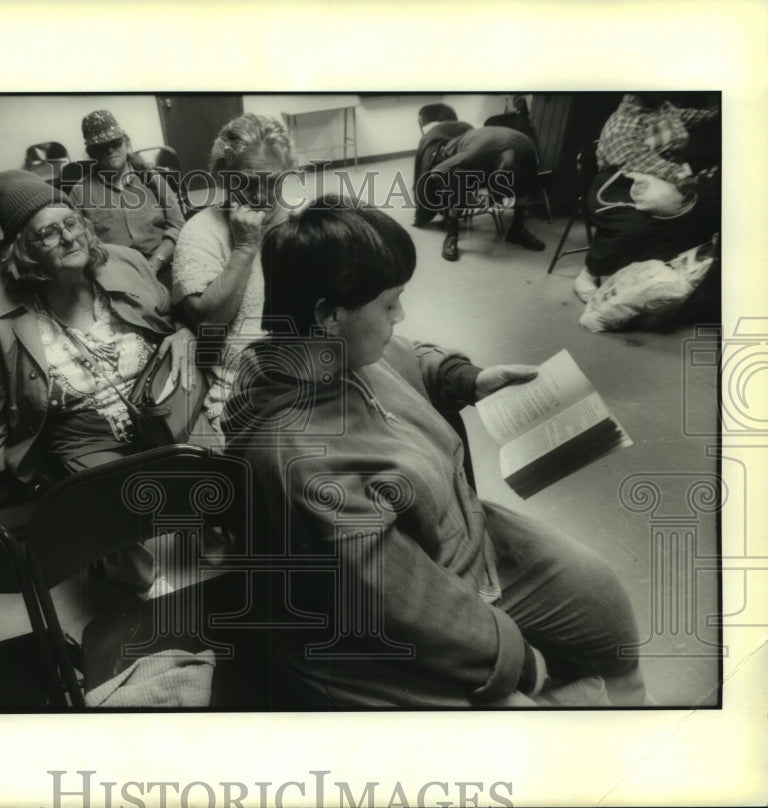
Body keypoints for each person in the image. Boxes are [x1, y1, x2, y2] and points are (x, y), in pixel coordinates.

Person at [222, 196, 649, 708]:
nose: (400, 315)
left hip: (461, 545)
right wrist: (515, 661)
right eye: (389, 303)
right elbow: (405, 605)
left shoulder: (332, 352)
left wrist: (465, 379)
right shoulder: (304, 459)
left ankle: (621, 701)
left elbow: (410, 356)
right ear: (327, 314)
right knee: (529, 714)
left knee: (601, 607)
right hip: (384, 625)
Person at [0, 169, 195, 511]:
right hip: (83, 436)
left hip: (161, 406)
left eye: (71, 222)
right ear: (23, 250)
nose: (68, 238)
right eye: (48, 233)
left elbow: (174, 314)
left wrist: (185, 330)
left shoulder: (127, 262)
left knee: (216, 467)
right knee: (129, 510)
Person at [172, 112, 296, 431]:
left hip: (315, 370)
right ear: (223, 176)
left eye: (273, 181)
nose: (261, 197)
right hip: (248, 389)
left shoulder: (305, 221)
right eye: (247, 182)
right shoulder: (201, 231)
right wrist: (243, 248)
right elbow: (208, 325)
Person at [574, 93, 720, 302]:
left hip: (660, 181)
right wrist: (678, 174)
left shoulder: (663, 108)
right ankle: (590, 273)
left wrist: (711, 115)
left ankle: (655, 271)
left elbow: (682, 116)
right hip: (618, 183)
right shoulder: (624, 120)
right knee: (637, 226)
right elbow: (636, 157)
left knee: (701, 212)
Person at [67, 109, 185, 287]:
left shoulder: (152, 179)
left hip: (164, 263)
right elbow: (81, 243)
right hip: (115, 277)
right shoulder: (79, 192)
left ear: (125, 141)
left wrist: (156, 263)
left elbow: (177, 225)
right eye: (101, 146)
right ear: (92, 152)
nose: (110, 149)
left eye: (115, 142)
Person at [412, 105, 546, 262]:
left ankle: (517, 230)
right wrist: (462, 199)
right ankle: (452, 234)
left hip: (492, 150)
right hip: (453, 153)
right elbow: (437, 172)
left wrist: (515, 188)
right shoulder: (476, 152)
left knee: (525, 181)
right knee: (458, 178)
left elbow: (530, 180)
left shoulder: (527, 147)